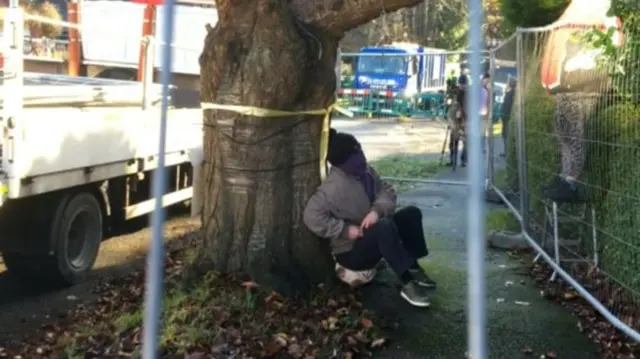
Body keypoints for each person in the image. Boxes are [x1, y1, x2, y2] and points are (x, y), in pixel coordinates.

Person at [303, 129, 436, 308]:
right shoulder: (331, 189)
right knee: (384, 228)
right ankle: (406, 282)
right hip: (352, 252)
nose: (361, 156)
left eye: (359, 149)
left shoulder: (366, 172)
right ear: (344, 163)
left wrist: (377, 210)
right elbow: (311, 216)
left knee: (411, 214)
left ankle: (412, 265)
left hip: (374, 232)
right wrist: (343, 229)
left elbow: (386, 190)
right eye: (355, 153)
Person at [446, 74, 469, 167]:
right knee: (453, 141)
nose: (462, 86)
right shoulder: (456, 93)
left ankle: (464, 161)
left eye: (463, 84)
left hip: (465, 121)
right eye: (461, 84)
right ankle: (453, 159)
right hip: (455, 121)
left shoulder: (469, 94)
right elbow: (450, 106)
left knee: (465, 141)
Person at [500, 78, 516, 157]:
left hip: (507, 117)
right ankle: (507, 152)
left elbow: (507, 106)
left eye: (507, 83)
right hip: (507, 117)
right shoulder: (510, 93)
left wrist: (503, 115)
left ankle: (507, 153)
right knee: (505, 135)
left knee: (506, 135)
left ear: (509, 85)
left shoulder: (510, 94)